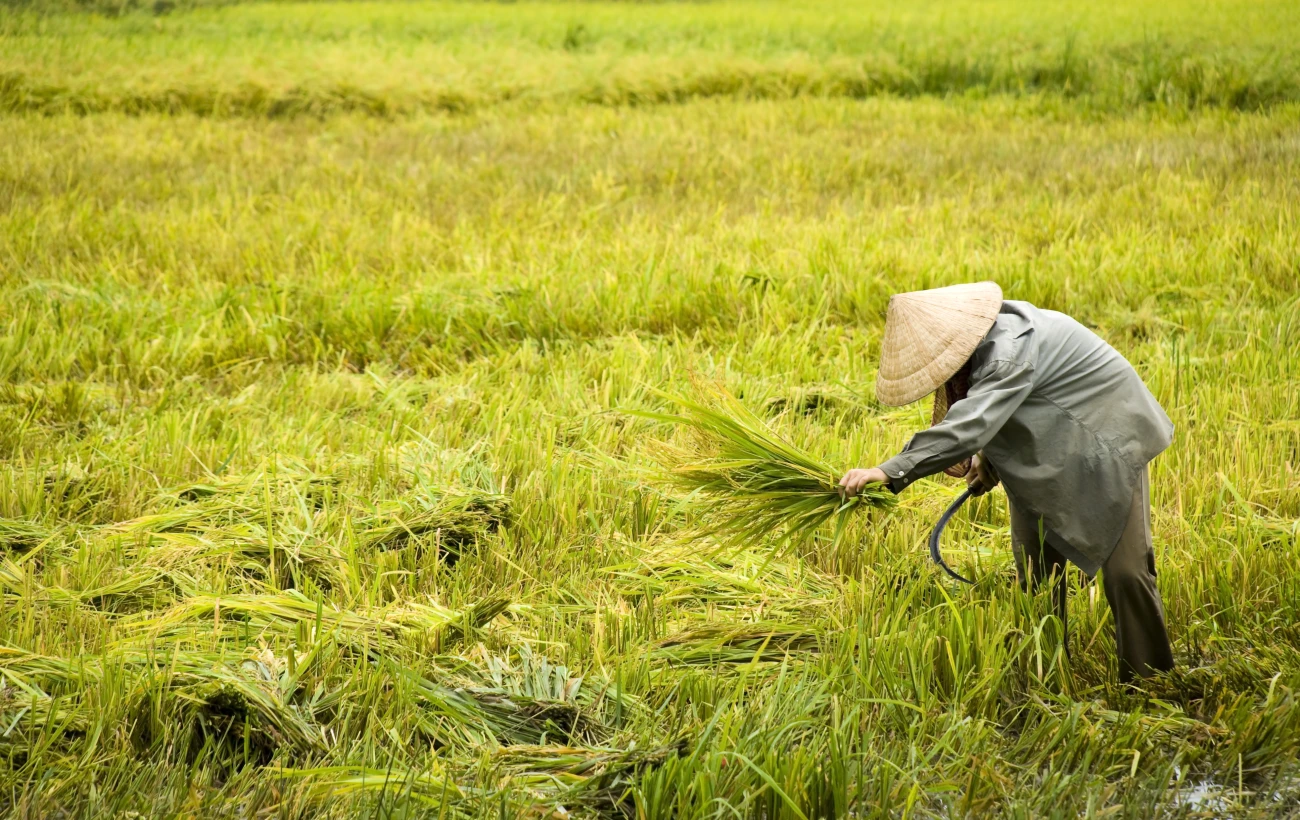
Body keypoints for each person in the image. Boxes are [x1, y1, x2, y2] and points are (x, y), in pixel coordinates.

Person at [839, 282, 1175, 683]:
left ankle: (1151, 680)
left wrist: (889, 470)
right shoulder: (984, 351)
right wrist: (989, 462)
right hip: (1048, 442)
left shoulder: (1008, 351)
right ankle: (1046, 674)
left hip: (1108, 437)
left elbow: (970, 424)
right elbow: (1010, 407)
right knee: (1034, 570)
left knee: (1126, 571)